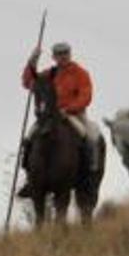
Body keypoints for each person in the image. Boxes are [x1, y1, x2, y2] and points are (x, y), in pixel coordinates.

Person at [21, 41, 102, 172]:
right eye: (59, 54)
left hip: (74, 114)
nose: (63, 56)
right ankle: (29, 171)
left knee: (91, 135)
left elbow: (85, 96)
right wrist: (32, 61)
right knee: (30, 136)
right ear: (54, 57)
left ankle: (90, 172)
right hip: (50, 115)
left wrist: (69, 109)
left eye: (65, 53)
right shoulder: (49, 74)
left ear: (70, 54)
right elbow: (29, 83)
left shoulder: (80, 73)